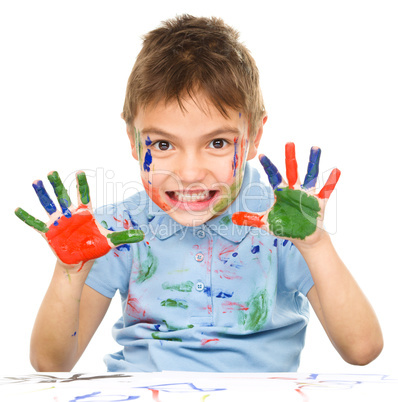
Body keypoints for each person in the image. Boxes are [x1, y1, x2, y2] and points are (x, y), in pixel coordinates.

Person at [16, 14, 383, 372]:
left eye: (218, 142)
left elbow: (362, 349)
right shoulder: (115, 230)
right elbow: (52, 363)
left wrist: (316, 245)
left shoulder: (284, 226)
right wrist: (69, 270)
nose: (189, 173)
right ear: (132, 141)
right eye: (162, 145)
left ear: (254, 136)